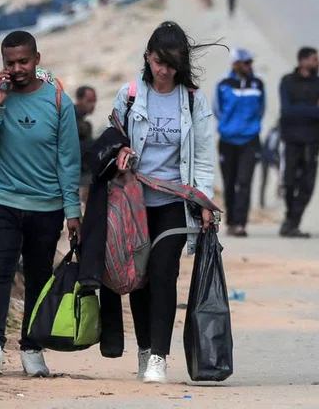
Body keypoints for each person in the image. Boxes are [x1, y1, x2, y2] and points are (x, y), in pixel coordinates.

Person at [0, 31, 81, 378]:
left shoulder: (59, 102)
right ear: (2, 64)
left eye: (23, 61)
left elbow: (68, 160)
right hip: (2, 199)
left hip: (47, 206)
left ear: (37, 59)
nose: (17, 69)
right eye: (10, 63)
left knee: (38, 276)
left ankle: (32, 348)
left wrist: (72, 210)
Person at [110, 21, 217, 384]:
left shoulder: (192, 99)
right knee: (137, 278)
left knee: (162, 273)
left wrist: (204, 201)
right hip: (134, 203)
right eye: (159, 62)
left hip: (174, 201)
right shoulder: (128, 95)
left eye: (171, 64)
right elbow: (111, 141)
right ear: (148, 57)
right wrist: (119, 152)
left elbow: (203, 156)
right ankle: (143, 349)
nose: (164, 71)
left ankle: (159, 356)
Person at [214, 48, 265, 238]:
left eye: (250, 62)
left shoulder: (258, 83)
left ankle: (241, 224)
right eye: (245, 62)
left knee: (244, 182)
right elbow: (217, 109)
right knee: (230, 183)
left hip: (250, 141)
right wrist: (229, 127)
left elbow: (261, 109)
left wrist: (250, 128)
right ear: (235, 64)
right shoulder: (223, 83)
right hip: (227, 140)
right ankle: (231, 221)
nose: (249, 66)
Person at [278, 47, 319, 238]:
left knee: (307, 184)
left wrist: (302, 110)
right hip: (291, 140)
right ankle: (289, 218)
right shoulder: (287, 81)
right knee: (289, 183)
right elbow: (287, 110)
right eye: (315, 59)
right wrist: (312, 109)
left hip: (312, 141)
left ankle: (293, 222)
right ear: (303, 61)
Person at [74, 85, 97, 197]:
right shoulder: (69, 117)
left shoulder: (85, 123)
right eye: (89, 101)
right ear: (79, 100)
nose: (92, 105)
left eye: (94, 101)